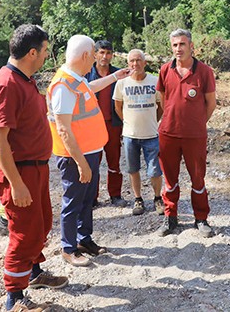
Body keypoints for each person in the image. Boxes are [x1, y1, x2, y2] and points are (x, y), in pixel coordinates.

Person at [0, 24, 68, 311]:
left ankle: (33, 274)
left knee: (41, 224)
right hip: (20, 172)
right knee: (24, 234)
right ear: (32, 52)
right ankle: (15, 297)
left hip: (36, 168)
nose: (47, 56)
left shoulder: (25, 79)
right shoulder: (5, 83)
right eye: (45, 51)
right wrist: (16, 183)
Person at [47, 35, 132, 267]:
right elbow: (64, 129)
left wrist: (115, 77)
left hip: (89, 153)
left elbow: (90, 88)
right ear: (86, 55)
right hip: (76, 157)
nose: (94, 60)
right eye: (93, 56)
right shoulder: (63, 86)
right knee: (73, 201)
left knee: (86, 201)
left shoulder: (77, 80)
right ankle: (68, 247)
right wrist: (81, 163)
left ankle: (84, 239)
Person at [156, 28, 217, 238]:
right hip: (168, 134)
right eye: (174, 45)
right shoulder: (165, 70)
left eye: (182, 44)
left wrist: (197, 122)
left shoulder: (205, 71)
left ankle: (201, 218)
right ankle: (170, 217)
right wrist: (173, 118)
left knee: (198, 178)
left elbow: (211, 103)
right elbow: (163, 98)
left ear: (191, 46)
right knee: (170, 179)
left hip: (195, 136)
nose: (178, 49)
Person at [113, 49, 164, 216]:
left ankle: (157, 198)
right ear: (128, 64)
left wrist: (153, 121)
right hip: (130, 135)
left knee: (155, 170)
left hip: (151, 134)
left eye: (138, 60)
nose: (135, 64)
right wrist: (127, 122)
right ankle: (138, 199)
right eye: (132, 61)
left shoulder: (155, 81)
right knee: (132, 169)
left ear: (145, 63)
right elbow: (118, 107)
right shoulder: (122, 83)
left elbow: (161, 106)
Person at [85, 40, 125, 207]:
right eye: (101, 52)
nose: (105, 56)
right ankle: (91, 198)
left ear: (112, 55)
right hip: (92, 126)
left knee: (114, 161)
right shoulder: (87, 74)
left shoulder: (119, 74)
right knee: (92, 162)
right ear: (95, 54)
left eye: (108, 53)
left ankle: (115, 195)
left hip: (113, 124)